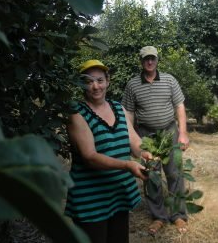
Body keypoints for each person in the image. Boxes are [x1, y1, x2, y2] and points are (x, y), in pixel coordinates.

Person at [65, 59, 152, 243]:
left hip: (119, 194)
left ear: (108, 81)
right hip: (91, 201)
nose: (95, 86)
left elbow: (134, 141)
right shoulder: (76, 113)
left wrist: (145, 153)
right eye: (88, 81)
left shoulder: (118, 108)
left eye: (100, 80)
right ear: (82, 84)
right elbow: (90, 157)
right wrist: (128, 165)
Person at [122, 46, 189, 235]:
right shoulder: (132, 85)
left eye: (152, 58)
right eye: (146, 59)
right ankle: (158, 217)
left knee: (175, 173)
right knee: (151, 176)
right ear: (141, 61)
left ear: (157, 59)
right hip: (146, 136)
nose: (149, 62)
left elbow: (180, 106)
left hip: (169, 132)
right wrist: (131, 140)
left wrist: (183, 133)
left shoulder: (169, 80)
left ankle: (178, 215)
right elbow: (128, 113)